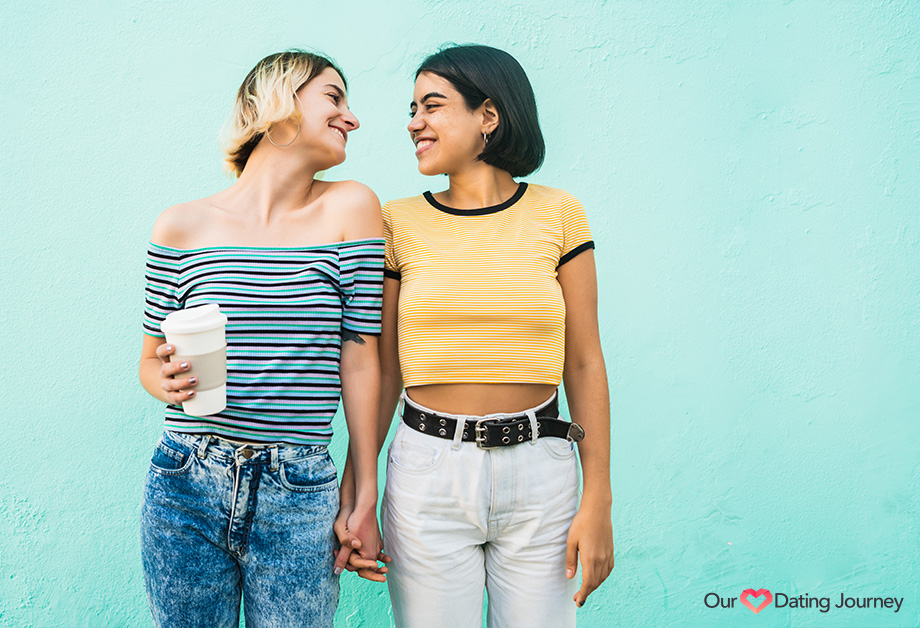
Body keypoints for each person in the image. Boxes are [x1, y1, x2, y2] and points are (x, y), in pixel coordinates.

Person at [337, 44, 615, 627]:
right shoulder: (397, 221)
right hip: (426, 473)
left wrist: (598, 498)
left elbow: (585, 362)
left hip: (542, 469)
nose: (414, 122)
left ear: (488, 116)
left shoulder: (559, 214)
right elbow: (384, 372)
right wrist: (356, 493)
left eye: (432, 105)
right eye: (412, 108)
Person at [136, 50, 386, 628]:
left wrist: (363, 489)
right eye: (334, 97)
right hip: (184, 481)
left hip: (298, 489)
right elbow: (149, 364)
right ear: (276, 106)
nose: (351, 117)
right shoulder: (180, 227)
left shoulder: (351, 208)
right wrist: (164, 379)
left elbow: (362, 358)